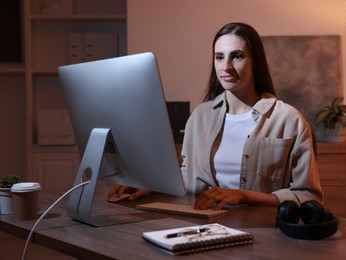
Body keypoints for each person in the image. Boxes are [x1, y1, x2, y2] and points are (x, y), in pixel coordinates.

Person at [108, 22, 323, 210]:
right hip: (205, 226)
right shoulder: (199, 117)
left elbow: (309, 196)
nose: (226, 66)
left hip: (264, 234)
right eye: (219, 57)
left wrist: (243, 195)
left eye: (237, 56)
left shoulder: (289, 120)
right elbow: (188, 178)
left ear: (255, 61)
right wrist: (150, 186)